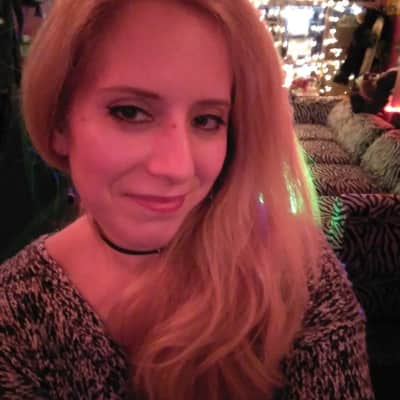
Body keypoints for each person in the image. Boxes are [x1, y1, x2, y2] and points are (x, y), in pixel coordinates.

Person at [0, 0, 375, 399]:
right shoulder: (17, 311)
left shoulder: (295, 269)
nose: (177, 168)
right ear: (59, 122)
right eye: (130, 112)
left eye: (206, 120)